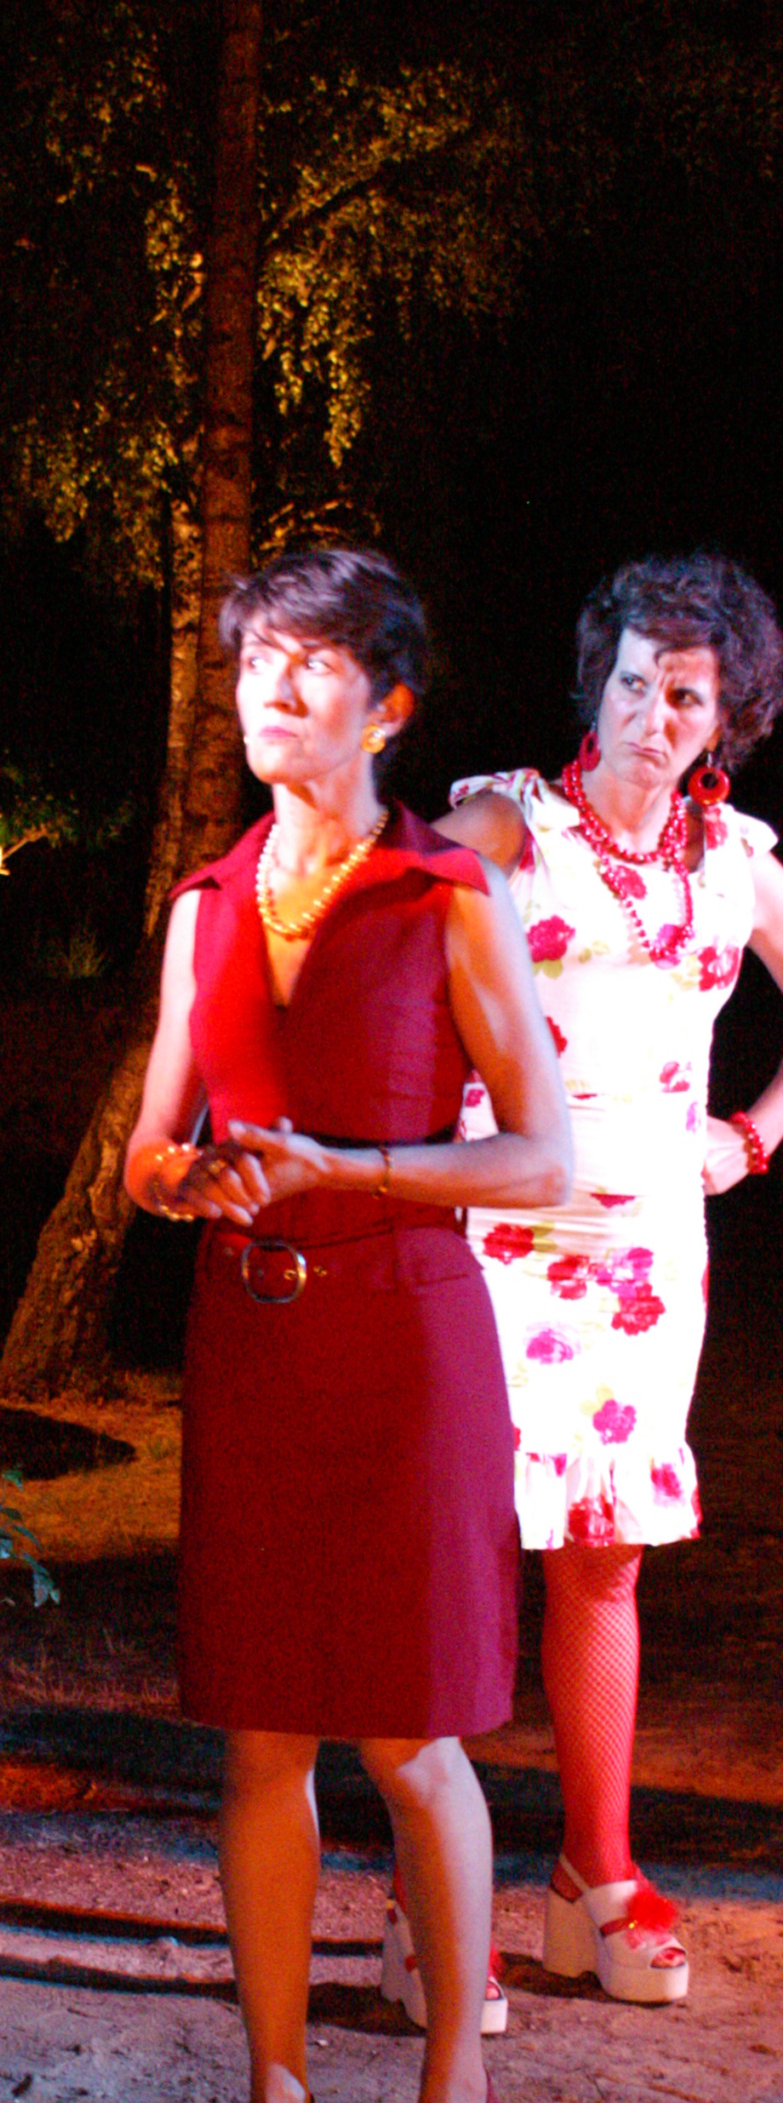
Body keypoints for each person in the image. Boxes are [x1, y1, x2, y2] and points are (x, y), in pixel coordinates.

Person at [125, 550, 570, 2103]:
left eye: (310, 665)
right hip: (251, 1344)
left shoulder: (445, 895)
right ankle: (275, 2097)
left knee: (406, 1734)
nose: (273, 689)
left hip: (404, 1347)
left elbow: (542, 1157)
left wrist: (347, 1168)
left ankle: (452, 2089)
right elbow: (145, 1151)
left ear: (386, 708)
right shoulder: (206, 905)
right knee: (258, 1736)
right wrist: (186, 1182)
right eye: (258, 662)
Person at [432, 554, 783, 2007]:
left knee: (604, 1551)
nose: (651, 715)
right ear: (600, 680)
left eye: (684, 695)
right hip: (493, 1234)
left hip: (649, 1253)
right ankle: (432, 1898)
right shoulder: (508, 823)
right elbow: (377, 938)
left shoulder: (737, 861)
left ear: (727, 714)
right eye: (633, 682)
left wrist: (753, 1135)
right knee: (456, 1551)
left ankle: (596, 1875)